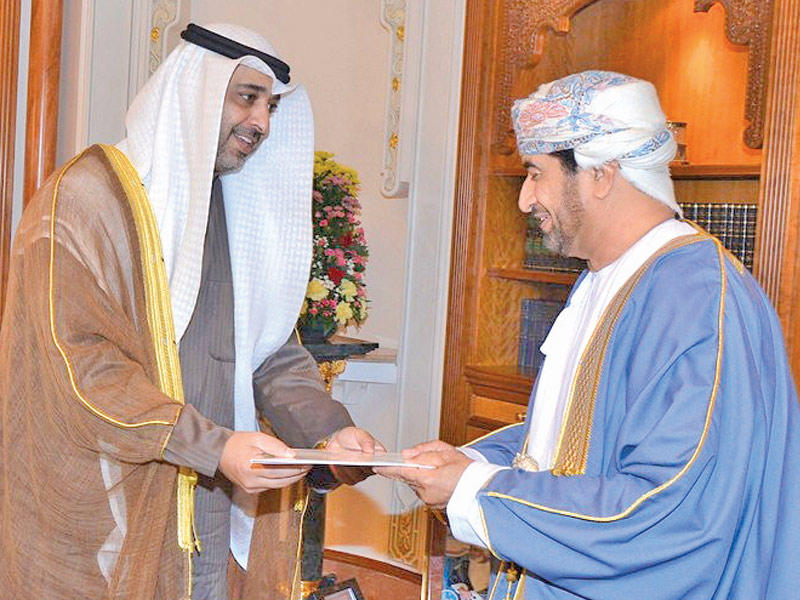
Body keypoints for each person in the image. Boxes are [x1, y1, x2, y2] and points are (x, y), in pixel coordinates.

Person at [378, 71, 800, 599]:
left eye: (536, 173)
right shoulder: (609, 277)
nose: (524, 199)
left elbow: (666, 513)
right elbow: (573, 446)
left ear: (601, 174)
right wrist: (471, 464)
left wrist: (475, 490)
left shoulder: (694, 298)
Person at [0, 22, 380, 600]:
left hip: (208, 510)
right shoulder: (83, 199)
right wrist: (212, 445)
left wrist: (331, 432)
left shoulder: (233, 211)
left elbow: (270, 351)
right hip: (107, 510)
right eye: (246, 98)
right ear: (194, 92)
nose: (261, 123)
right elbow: (78, 367)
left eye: (271, 106)